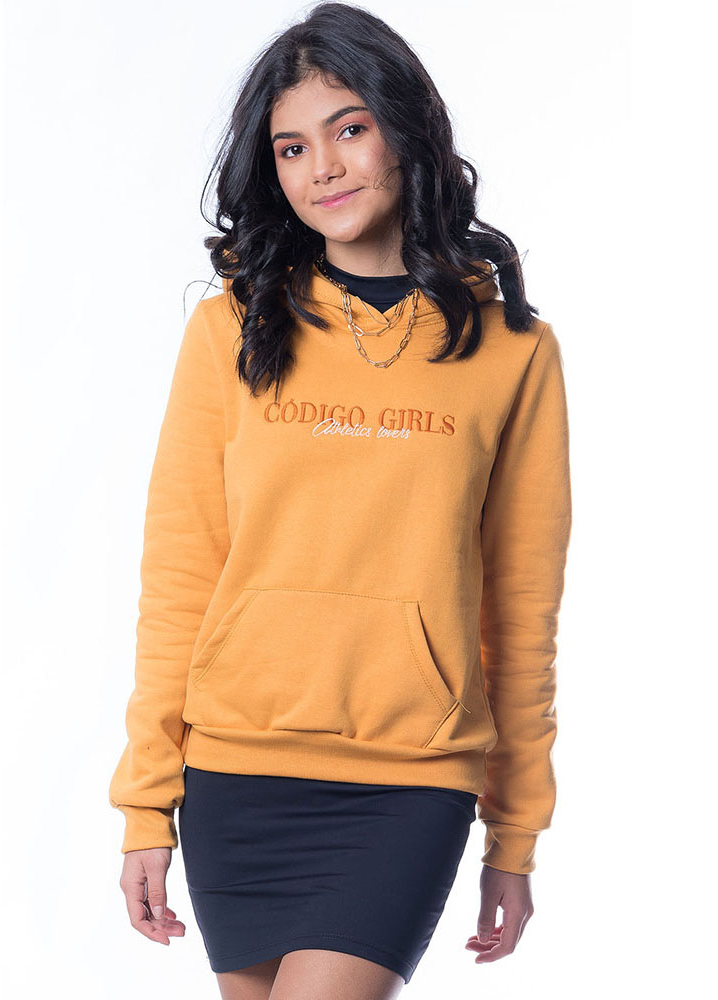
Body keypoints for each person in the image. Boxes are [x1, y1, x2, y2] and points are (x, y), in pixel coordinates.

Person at [108, 4, 572, 997]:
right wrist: (145, 800)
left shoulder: (512, 349)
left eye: (349, 128)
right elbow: (181, 572)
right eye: (291, 147)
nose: (322, 166)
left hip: (409, 780)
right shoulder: (230, 329)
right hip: (235, 772)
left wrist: (516, 830)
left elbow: (522, 607)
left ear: (405, 130)